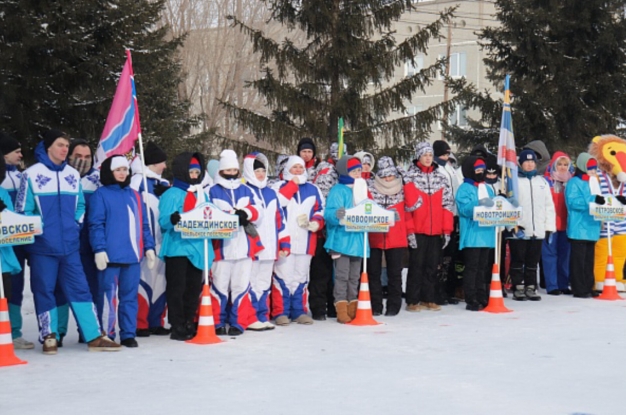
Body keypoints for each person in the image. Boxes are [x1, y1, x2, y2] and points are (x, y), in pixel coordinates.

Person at [16, 128, 120, 353]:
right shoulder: (31, 174)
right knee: (45, 290)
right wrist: (40, 231)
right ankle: (49, 335)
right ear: (48, 148)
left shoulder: (72, 175)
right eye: (60, 145)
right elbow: (23, 210)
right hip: (43, 248)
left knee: (81, 289)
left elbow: (80, 205)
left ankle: (94, 335)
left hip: (70, 247)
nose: (64, 149)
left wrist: (76, 224)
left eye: (66, 145)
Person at [89, 155, 156, 347]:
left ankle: (128, 333)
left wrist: (149, 247)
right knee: (107, 298)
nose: (122, 173)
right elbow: (95, 224)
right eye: (118, 169)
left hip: (132, 256)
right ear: (110, 172)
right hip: (110, 256)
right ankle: (106, 333)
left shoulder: (134, 194)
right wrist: (99, 249)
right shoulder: (100, 195)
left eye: (125, 169)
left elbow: (144, 224)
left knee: (129, 297)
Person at [208, 149, 262, 336]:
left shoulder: (245, 189)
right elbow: (207, 212)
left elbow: (258, 210)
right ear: (222, 171)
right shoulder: (212, 190)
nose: (231, 174)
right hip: (221, 249)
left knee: (241, 286)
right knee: (219, 286)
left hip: (243, 247)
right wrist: (226, 217)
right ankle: (217, 321)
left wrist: (246, 213)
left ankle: (239, 321)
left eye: (234, 170)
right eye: (227, 170)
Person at [159, 152, 212, 340]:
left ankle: (189, 320)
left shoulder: (202, 194)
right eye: (191, 171)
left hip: (197, 248)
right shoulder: (172, 194)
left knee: (192, 288)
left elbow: (211, 216)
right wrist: (171, 219)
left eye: (198, 171)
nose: (195, 175)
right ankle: (177, 324)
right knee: (177, 288)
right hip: (178, 247)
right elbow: (163, 220)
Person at [55, 139, 101, 345]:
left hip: (90, 247)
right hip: (63, 244)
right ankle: (57, 333)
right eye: (78, 156)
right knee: (60, 291)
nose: (82, 161)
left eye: (87, 157)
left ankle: (89, 332)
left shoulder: (98, 180)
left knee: (91, 289)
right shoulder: (59, 177)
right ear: (70, 156)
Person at [272, 156, 324, 325]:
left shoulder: (313, 188)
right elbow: (277, 204)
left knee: (301, 277)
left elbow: (320, 209)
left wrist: (316, 222)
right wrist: (292, 185)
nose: (298, 171)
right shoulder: (278, 186)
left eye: (301, 168)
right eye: (294, 168)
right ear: (287, 168)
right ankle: (281, 312)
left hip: (306, 240)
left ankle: (299, 311)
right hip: (285, 241)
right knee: (283, 277)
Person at [404, 142, 454, 312]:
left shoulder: (441, 177)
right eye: (424, 155)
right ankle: (412, 300)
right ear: (419, 156)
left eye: (430, 155)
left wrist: (447, 229)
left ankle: (429, 298)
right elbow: (407, 207)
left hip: (435, 230)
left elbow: (447, 205)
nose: (427, 158)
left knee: (433, 266)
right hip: (418, 229)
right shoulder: (410, 177)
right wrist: (409, 230)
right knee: (416, 266)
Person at [242, 152, 289, 330]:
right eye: (257, 171)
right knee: (251, 282)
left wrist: (284, 243)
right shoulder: (245, 190)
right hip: (253, 247)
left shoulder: (271, 193)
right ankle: (250, 316)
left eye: (263, 170)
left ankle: (262, 315)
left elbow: (280, 220)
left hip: (270, 248)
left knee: (263, 283)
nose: (260, 174)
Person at [130, 141, 171, 336]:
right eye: (162, 162)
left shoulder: (162, 183)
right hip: (146, 242)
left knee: (160, 283)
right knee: (144, 281)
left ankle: (156, 321)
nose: (165, 166)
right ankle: (140, 323)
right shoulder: (138, 181)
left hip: (163, 241)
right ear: (154, 163)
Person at [325, 156, 369, 323]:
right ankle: (341, 307)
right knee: (342, 276)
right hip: (342, 241)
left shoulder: (363, 189)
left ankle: (353, 306)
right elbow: (329, 212)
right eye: (354, 171)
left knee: (354, 277)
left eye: (359, 170)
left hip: (358, 241)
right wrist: (337, 215)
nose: (357, 174)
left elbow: (370, 210)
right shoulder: (338, 190)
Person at [367, 156, 413, 316]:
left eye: (391, 175)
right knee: (374, 273)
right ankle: (375, 305)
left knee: (395, 273)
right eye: (384, 175)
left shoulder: (402, 188)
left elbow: (412, 205)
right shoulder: (371, 188)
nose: (388, 178)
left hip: (396, 237)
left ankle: (394, 305)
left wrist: (406, 179)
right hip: (375, 236)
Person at [0, 132, 34, 349]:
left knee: (15, 286)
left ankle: (15, 331)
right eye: (16, 151)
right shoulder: (3, 180)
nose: (21, 155)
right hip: (7, 239)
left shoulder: (23, 176)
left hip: (18, 238)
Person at [508, 149, 556, 301]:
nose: (529, 165)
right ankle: (518, 286)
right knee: (518, 260)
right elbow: (509, 205)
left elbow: (549, 206)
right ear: (521, 164)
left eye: (532, 162)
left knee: (532, 261)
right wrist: (514, 225)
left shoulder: (542, 182)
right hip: (520, 229)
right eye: (526, 162)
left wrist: (549, 227)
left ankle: (530, 286)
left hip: (537, 229)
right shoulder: (514, 182)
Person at [456, 156, 496, 311]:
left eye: (482, 170)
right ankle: (471, 298)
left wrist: (503, 202)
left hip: (486, 233)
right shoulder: (465, 188)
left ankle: (482, 295)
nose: (480, 173)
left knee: (482, 267)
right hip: (472, 234)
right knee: (472, 267)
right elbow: (464, 209)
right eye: (477, 170)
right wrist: (478, 203)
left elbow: (494, 207)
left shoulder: (487, 187)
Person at [565, 153, 602, 298]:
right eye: (590, 168)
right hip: (579, 227)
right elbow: (573, 202)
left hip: (592, 226)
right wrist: (594, 200)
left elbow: (600, 200)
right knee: (578, 261)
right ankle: (579, 287)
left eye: (594, 169)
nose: (592, 172)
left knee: (588, 260)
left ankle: (588, 285)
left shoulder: (594, 182)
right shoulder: (574, 182)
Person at [542, 152, 574, 295]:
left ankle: (563, 283)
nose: (562, 167)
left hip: (567, 224)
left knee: (564, 255)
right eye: (559, 164)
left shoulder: (571, 182)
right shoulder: (546, 181)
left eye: (565, 164)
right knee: (550, 255)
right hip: (550, 224)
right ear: (554, 165)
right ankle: (552, 285)